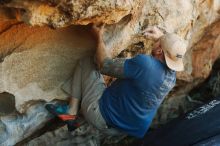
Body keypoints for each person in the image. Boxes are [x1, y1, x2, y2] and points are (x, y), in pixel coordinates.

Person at [46, 24, 187, 137]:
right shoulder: (171, 77)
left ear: (159, 51)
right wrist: (161, 39)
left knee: (87, 62)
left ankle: (71, 112)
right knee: (117, 93)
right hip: (119, 130)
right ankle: (80, 119)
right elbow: (168, 54)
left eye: (159, 44)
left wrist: (98, 37)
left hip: (101, 115)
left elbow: (104, 65)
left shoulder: (146, 64)